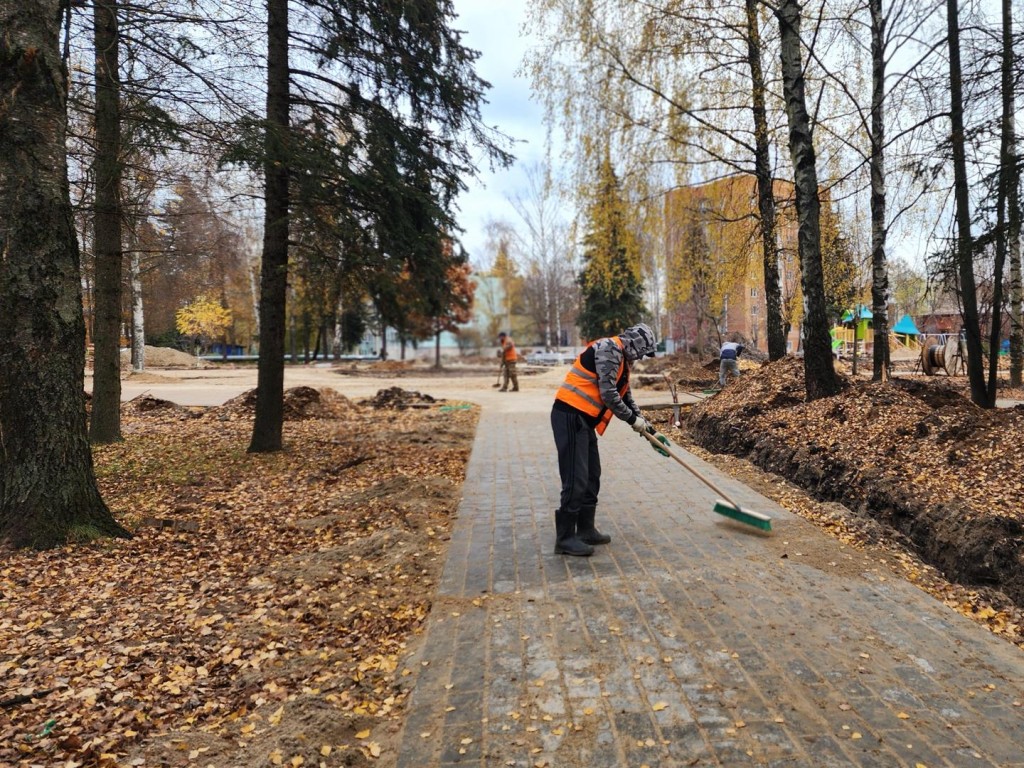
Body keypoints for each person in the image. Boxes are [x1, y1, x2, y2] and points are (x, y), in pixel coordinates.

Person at [549, 323, 659, 556]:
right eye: (642, 352)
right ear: (635, 343)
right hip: (569, 415)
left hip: (583, 421)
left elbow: (625, 396)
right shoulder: (609, 349)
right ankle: (565, 538)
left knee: (592, 475)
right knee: (575, 477)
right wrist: (632, 421)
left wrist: (646, 426)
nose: (640, 358)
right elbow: (608, 394)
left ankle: (585, 529)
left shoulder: (622, 361)